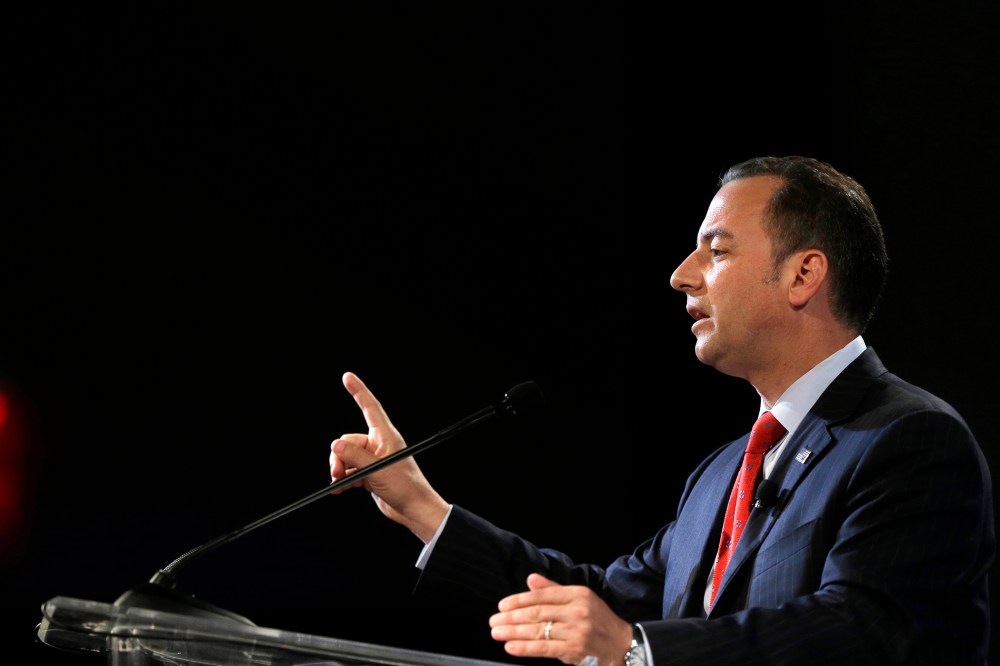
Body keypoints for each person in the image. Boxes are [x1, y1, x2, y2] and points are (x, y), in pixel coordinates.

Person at [328, 156, 995, 665]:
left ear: (803, 274)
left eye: (718, 249)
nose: (681, 273)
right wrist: (422, 508)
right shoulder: (721, 473)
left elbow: (866, 628)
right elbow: (607, 605)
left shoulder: (909, 438)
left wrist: (638, 651)